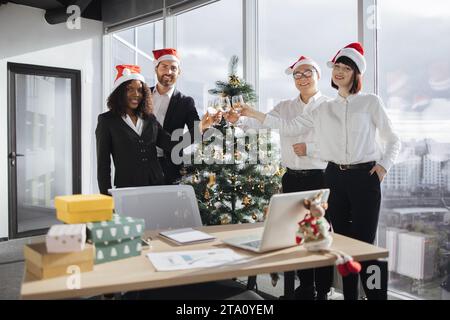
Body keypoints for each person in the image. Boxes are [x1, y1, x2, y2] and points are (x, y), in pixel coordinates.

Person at [241, 43, 401, 300]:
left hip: (364, 178)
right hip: (333, 177)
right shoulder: (323, 107)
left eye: (345, 68)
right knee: (336, 242)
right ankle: (349, 297)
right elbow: (290, 126)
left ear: (356, 73)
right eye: (337, 66)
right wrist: (251, 114)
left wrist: (383, 167)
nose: (339, 71)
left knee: (365, 246)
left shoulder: (371, 102)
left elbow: (393, 139)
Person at [224, 55, 333, 300]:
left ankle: (323, 291)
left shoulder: (328, 105)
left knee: (321, 233)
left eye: (308, 73)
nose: (303, 78)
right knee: (299, 233)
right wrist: (238, 121)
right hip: (292, 178)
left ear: (318, 76)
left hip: (321, 177)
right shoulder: (285, 106)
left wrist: (312, 148)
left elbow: (325, 139)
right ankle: (305, 288)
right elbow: (259, 126)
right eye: (298, 74)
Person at [96, 64, 177, 195]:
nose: (136, 94)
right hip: (127, 189)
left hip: (156, 187)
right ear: (119, 92)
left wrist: (201, 128)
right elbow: (103, 165)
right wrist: (107, 199)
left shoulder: (150, 119)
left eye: (140, 90)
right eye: (130, 89)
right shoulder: (107, 121)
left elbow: (173, 144)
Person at [150, 48, 200, 184]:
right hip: (139, 165)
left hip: (169, 168)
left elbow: (197, 131)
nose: (168, 72)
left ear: (179, 72)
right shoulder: (143, 96)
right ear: (156, 69)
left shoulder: (186, 102)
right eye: (164, 67)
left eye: (173, 68)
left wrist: (177, 146)